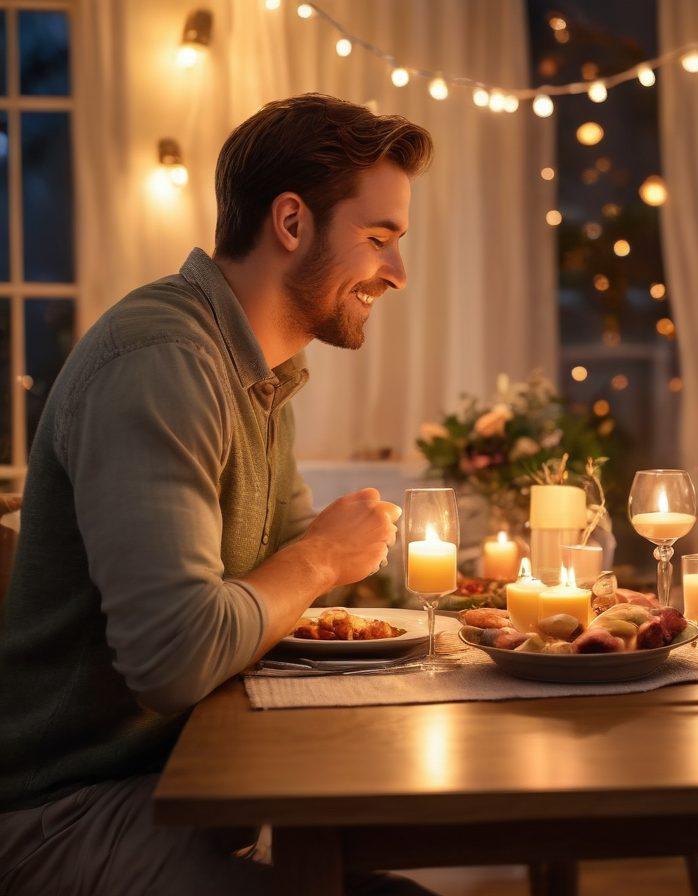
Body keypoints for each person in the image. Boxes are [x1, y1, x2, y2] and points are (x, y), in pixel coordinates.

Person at [0, 94, 437, 895]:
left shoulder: (256, 372)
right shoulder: (162, 361)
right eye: (378, 239)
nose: (398, 273)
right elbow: (174, 658)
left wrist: (324, 566)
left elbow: (290, 586)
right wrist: (318, 558)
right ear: (292, 223)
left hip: (185, 782)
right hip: (62, 815)